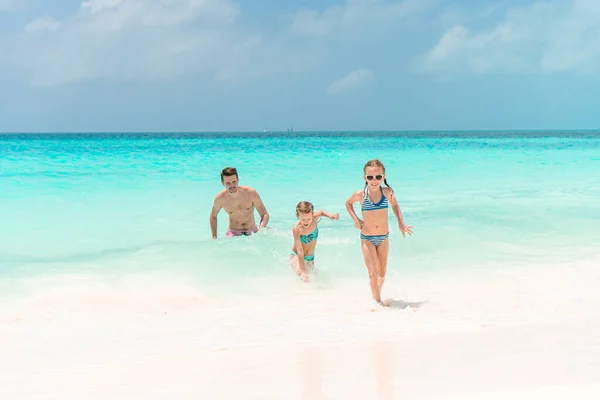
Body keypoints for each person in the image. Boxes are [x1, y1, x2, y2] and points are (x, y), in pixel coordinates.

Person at [345, 159, 413, 304]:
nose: (374, 180)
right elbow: (348, 203)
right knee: (373, 273)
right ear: (365, 178)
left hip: (383, 238)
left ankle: (376, 293)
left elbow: (395, 205)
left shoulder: (387, 192)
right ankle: (377, 302)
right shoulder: (361, 195)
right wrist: (355, 219)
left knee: (382, 274)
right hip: (367, 238)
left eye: (378, 177)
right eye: (370, 177)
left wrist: (401, 222)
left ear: (384, 177)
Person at [209, 167, 269, 238]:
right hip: (233, 233)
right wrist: (214, 237)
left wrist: (260, 230)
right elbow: (213, 216)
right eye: (228, 183)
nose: (232, 185)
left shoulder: (250, 193)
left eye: (234, 181)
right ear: (222, 183)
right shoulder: (220, 198)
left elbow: (264, 214)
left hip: (252, 231)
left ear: (238, 180)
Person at [290, 201, 339, 282]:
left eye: (308, 219)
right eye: (303, 219)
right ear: (297, 216)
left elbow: (321, 212)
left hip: (310, 258)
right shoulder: (297, 229)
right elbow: (300, 251)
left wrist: (331, 216)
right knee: (304, 277)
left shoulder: (314, 219)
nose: (306, 221)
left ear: (312, 214)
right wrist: (303, 271)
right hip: (297, 257)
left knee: (313, 279)